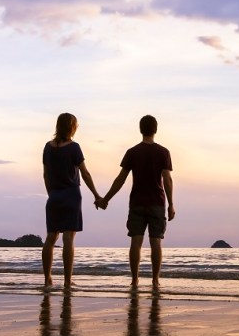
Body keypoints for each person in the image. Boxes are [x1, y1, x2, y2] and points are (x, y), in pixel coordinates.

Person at [101, 114, 175, 288]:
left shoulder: (132, 152)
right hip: (157, 202)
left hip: (137, 203)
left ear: (140, 130)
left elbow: (120, 179)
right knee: (156, 242)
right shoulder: (163, 152)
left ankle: (134, 280)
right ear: (155, 130)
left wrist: (106, 198)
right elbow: (167, 179)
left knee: (136, 242)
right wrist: (171, 204)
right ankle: (155, 281)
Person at [42, 112, 103, 289]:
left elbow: (45, 174)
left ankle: (47, 279)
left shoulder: (48, 147)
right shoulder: (74, 147)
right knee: (68, 238)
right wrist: (97, 195)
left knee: (51, 237)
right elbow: (85, 173)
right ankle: (67, 281)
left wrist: (51, 193)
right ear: (72, 127)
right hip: (71, 194)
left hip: (54, 195)